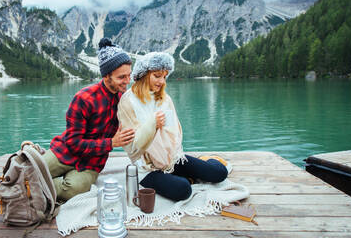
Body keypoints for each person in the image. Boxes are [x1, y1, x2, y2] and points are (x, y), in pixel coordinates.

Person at [117, 52, 228, 202]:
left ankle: (205, 161)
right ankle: (182, 175)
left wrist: (172, 157)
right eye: (157, 76)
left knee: (220, 173)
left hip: (172, 159)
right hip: (146, 168)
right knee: (183, 189)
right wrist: (152, 124)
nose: (162, 81)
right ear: (143, 75)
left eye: (164, 76)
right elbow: (133, 147)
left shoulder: (165, 98)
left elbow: (174, 133)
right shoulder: (127, 102)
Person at [42, 38, 135, 202]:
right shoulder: (84, 98)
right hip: (66, 151)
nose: (128, 81)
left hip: (93, 162)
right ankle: (43, 176)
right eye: (122, 77)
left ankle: (44, 185)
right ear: (107, 77)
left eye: (129, 75)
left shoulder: (124, 99)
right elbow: (72, 142)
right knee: (31, 172)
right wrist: (111, 143)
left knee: (73, 190)